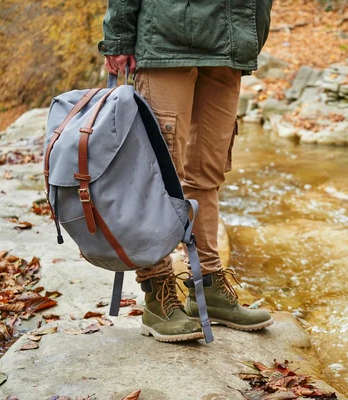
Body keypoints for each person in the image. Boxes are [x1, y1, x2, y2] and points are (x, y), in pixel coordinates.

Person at [98, 0, 274, 342]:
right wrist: (119, 38)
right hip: (168, 42)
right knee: (157, 177)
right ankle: (157, 294)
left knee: (208, 174)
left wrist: (250, 36)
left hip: (228, 47)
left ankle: (207, 285)